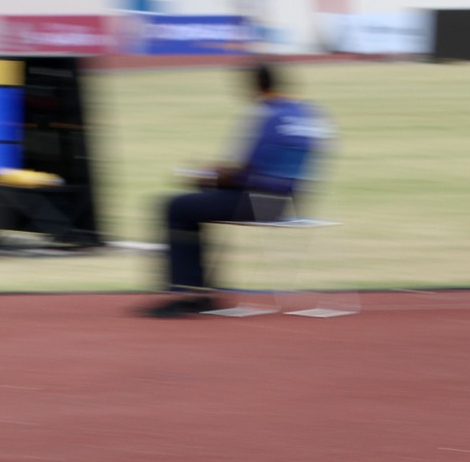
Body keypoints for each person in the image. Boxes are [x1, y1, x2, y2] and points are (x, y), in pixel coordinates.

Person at [139, 63, 330, 318]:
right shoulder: (308, 113)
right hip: (291, 203)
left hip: (259, 202)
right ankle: (199, 291)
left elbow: (244, 172)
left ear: (254, 86)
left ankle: (187, 294)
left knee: (176, 206)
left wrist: (206, 175)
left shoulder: (266, 115)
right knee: (194, 207)